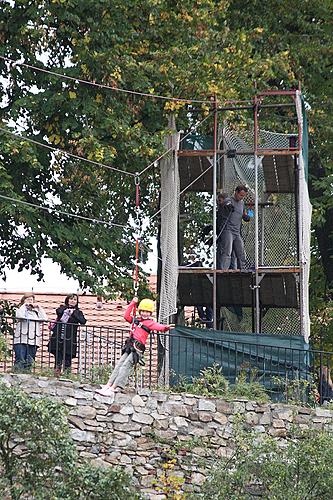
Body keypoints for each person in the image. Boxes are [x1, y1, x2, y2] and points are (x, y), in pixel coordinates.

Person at [96, 297, 172, 396]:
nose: (145, 313)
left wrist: (166, 327)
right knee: (119, 365)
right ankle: (108, 385)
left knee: (125, 366)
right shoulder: (135, 320)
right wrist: (133, 303)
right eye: (143, 311)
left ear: (150, 313)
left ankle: (115, 387)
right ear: (140, 311)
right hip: (130, 346)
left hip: (137, 349)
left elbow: (159, 327)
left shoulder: (150, 323)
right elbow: (126, 316)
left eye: (147, 312)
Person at [48, 293, 86, 376]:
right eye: (71, 299)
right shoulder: (62, 308)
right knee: (58, 356)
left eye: (75, 299)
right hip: (59, 335)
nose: (73, 301)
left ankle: (67, 374)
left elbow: (83, 321)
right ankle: (57, 372)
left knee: (67, 357)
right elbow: (59, 312)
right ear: (67, 300)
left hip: (70, 338)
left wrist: (72, 313)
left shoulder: (78, 312)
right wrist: (66, 310)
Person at [217, 185, 253, 270]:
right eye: (240, 195)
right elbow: (225, 203)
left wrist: (251, 212)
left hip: (237, 232)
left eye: (243, 196)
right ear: (236, 192)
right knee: (227, 251)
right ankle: (224, 270)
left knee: (241, 251)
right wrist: (228, 206)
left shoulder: (242, 203)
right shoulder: (229, 200)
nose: (242, 197)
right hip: (228, 230)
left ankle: (243, 270)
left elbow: (246, 216)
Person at [13, 293, 48, 371]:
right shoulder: (20, 309)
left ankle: (26, 375)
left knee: (30, 361)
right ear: (23, 301)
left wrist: (39, 307)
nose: (30, 301)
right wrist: (24, 305)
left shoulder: (35, 313)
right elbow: (20, 316)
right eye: (28, 299)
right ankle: (18, 375)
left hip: (33, 340)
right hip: (21, 339)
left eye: (31, 300)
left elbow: (45, 319)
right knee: (20, 360)